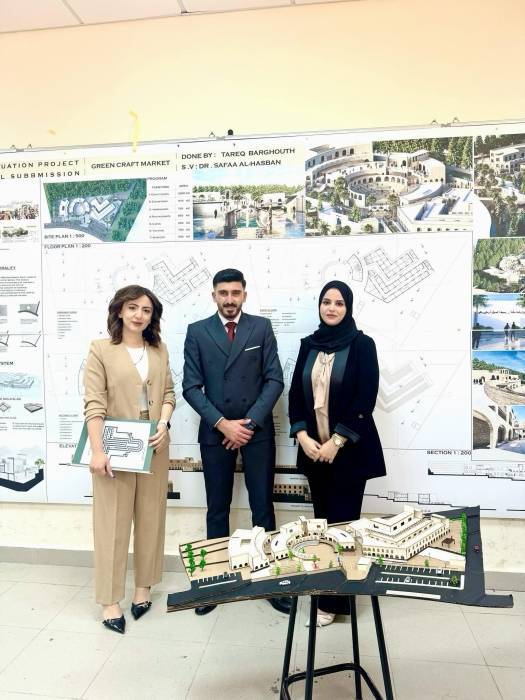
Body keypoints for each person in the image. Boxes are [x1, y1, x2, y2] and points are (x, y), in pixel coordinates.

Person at [183, 268, 289, 615]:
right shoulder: (197, 331)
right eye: (223, 293)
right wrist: (223, 425)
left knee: (263, 507)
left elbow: (274, 380)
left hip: (256, 431)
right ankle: (215, 584)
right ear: (214, 295)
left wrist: (248, 424)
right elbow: (190, 387)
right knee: (217, 508)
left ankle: (268, 582)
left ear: (244, 294)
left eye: (235, 293)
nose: (229, 299)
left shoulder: (261, 327)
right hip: (216, 431)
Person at [288, 280, 386, 626]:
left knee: (343, 527)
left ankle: (334, 604)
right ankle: (326, 596)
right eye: (326, 302)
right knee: (321, 527)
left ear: (348, 308)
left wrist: (337, 441)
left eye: (339, 303)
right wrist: (302, 435)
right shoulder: (309, 345)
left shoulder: (362, 345)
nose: (332, 308)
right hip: (314, 452)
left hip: (348, 454)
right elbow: (295, 395)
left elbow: (365, 398)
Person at [83, 285, 175, 634]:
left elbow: (169, 393)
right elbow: (94, 404)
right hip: (114, 447)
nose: (139, 315)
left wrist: (164, 424)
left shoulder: (159, 349)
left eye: (146, 310)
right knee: (112, 524)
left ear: (153, 317)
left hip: (154, 444)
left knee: (151, 517)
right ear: (119, 311)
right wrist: (97, 450)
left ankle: (143, 588)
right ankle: (110, 600)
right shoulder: (100, 349)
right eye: (133, 307)